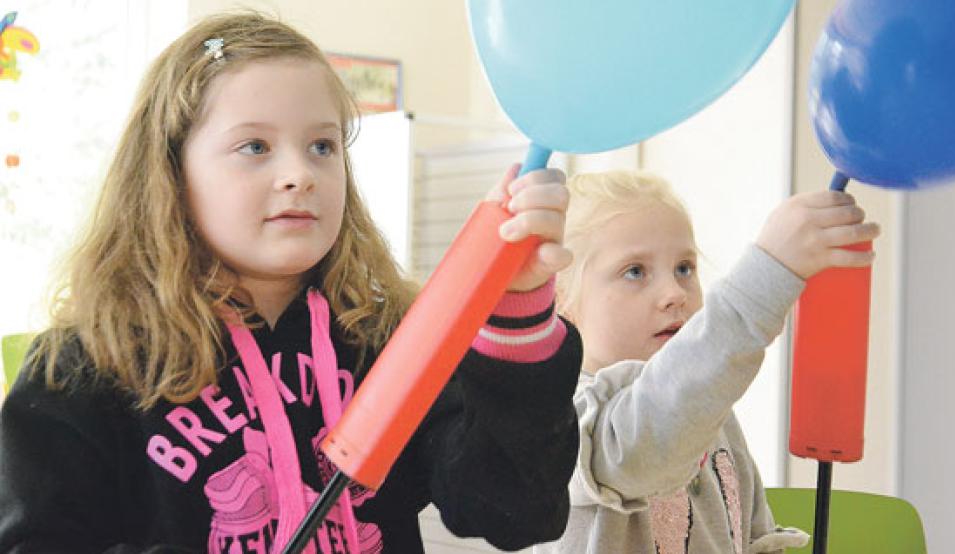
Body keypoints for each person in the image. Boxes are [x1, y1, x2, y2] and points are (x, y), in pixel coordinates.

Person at [0, 13, 583, 554]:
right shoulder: (84, 366)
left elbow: (514, 511)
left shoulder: (385, 339)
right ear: (171, 175)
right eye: (254, 146)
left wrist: (518, 307)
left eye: (322, 146)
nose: (300, 175)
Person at [536, 171, 880, 553]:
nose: (673, 293)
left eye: (684, 268)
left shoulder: (712, 419)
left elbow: (752, 537)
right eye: (634, 272)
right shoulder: (562, 419)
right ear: (562, 300)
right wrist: (764, 281)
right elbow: (645, 437)